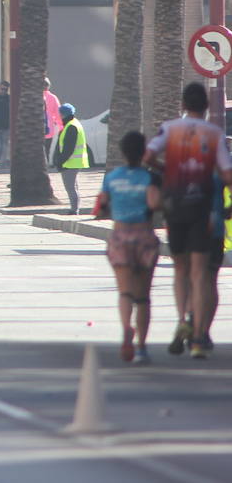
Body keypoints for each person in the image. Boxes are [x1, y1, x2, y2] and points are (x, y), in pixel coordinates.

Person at [144, 81, 231, 360]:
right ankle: (197, 336)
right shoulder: (214, 134)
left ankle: (183, 317)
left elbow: (147, 156)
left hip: (176, 207)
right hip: (203, 210)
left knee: (180, 269)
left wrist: (166, 168)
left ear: (182, 105)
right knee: (202, 273)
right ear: (206, 107)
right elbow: (227, 175)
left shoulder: (169, 129)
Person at [96, 130, 161, 364]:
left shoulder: (112, 177)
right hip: (144, 236)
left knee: (125, 292)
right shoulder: (150, 177)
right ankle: (142, 346)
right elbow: (154, 202)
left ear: (123, 152)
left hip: (120, 236)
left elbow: (101, 206)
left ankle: (126, 327)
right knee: (143, 296)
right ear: (143, 152)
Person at [52, 103, 90, 215]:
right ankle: (74, 208)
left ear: (63, 114)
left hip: (70, 162)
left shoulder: (71, 126)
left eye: (59, 114)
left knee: (70, 188)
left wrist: (60, 162)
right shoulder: (74, 124)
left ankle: (74, 210)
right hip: (73, 162)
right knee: (73, 187)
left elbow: (68, 148)